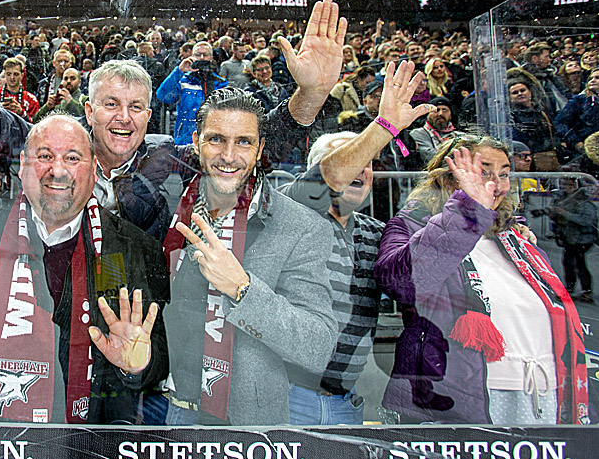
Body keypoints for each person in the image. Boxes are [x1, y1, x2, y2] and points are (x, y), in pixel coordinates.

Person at [0, 0, 349, 241]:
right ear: (89, 111)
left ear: (150, 116)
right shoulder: (47, 148)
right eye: (111, 104)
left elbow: (250, 150)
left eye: (135, 107)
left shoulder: (170, 163)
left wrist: (309, 95)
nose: (123, 118)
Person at [0, 113, 169, 424]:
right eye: (44, 156)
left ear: (94, 170)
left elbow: (159, 360)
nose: (57, 171)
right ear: (22, 165)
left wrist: (136, 365)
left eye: (72, 157)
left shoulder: (133, 248)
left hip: (87, 449)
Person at [376, 135, 591, 424]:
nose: (497, 184)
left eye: (503, 173)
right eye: (484, 171)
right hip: (468, 398)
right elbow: (402, 284)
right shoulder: (411, 227)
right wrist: (467, 210)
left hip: (545, 394)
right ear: (448, 176)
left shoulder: (516, 239)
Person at [162, 88, 336, 425]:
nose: (228, 155)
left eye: (243, 142)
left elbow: (317, 345)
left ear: (259, 150)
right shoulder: (168, 205)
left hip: (247, 422)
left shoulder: (300, 226)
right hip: (166, 409)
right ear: (196, 141)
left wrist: (242, 289)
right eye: (216, 139)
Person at [277, 61, 432, 424]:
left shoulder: (377, 232)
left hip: (346, 400)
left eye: (368, 162)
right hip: (291, 396)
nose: (362, 169)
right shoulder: (293, 215)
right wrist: (384, 126)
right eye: (351, 161)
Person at [156, 41, 230, 145]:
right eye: (198, 55)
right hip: (186, 140)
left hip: (213, 139)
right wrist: (179, 71)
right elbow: (163, 96)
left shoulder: (220, 83)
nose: (202, 57)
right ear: (192, 57)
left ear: (211, 58)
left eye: (206, 54)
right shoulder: (183, 80)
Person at [543, 177, 599, 303]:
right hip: (570, 237)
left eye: (570, 184)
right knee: (569, 263)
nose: (567, 187)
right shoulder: (562, 199)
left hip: (582, 238)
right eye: (565, 184)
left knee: (578, 264)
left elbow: (586, 221)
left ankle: (585, 291)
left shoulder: (584, 202)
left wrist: (565, 214)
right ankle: (572, 288)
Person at [555, 67, 599, 161]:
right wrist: (576, 142)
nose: (592, 81)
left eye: (598, 78)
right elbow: (560, 123)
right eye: (590, 79)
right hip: (589, 151)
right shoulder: (580, 100)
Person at [0, 56, 41, 122]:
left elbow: (36, 124)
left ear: (22, 75)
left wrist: (22, 113)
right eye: (9, 74)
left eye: (16, 74)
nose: (12, 77)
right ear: (5, 74)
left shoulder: (31, 99)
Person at [410, 96, 456, 165]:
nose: (440, 113)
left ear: (451, 115)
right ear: (428, 114)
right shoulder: (418, 134)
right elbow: (431, 157)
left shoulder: (458, 135)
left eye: (444, 110)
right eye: (436, 110)